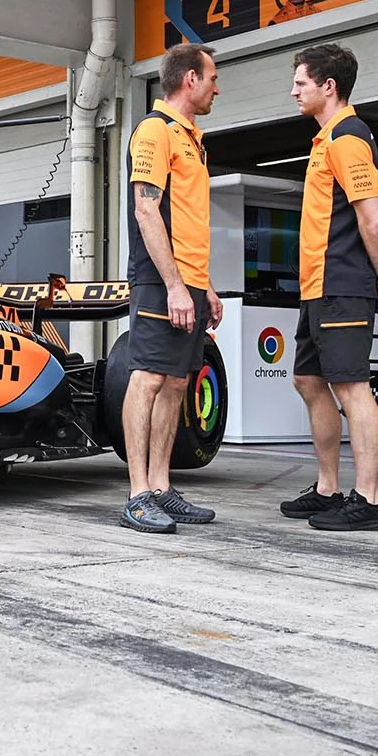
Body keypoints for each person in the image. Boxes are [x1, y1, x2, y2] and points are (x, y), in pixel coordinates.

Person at [279, 43, 378, 532]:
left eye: (301, 83)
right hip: (317, 286)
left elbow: (372, 219)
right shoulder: (326, 139)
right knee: (309, 380)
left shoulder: (349, 138)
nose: (293, 91)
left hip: (343, 284)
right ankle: (329, 489)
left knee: (351, 386)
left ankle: (369, 501)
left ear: (328, 86)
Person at [118, 42, 222, 533]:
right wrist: (176, 286)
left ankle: (161, 486)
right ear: (190, 80)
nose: (217, 87)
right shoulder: (154, 132)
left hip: (190, 283)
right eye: (213, 78)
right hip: (162, 282)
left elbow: (189, 221)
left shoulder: (193, 138)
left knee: (178, 382)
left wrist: (206, 288)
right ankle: (138, 492)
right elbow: (146, 210)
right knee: (149, 378)